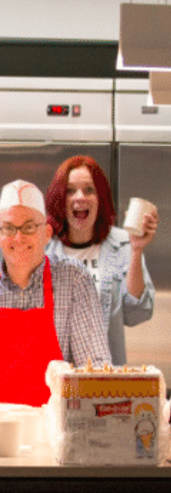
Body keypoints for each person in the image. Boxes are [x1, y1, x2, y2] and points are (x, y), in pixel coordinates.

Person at [0, 179, 111, 407]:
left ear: (47, 233)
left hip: (51, 426)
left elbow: (94, 370)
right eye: (9, 228)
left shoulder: (74, 280)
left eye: (29, 227)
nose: (18, 238)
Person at [44, 156, 158, 365]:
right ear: (60, 198)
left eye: (89, 190)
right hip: (54, 374)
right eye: (70, 190)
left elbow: (136, 314)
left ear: (100, 198)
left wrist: (136, 250)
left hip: (105, 376)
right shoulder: (43, 247)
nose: (80, 197)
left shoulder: (124, 243)